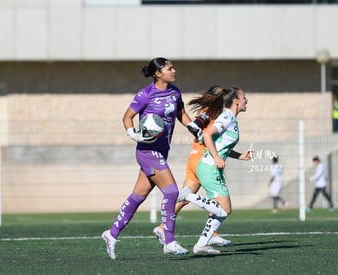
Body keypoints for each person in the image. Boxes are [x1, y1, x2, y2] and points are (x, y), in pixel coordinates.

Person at [101, 57, 203, 259]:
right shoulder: (145, 95)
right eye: (169, 68)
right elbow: (127, 116)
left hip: (162, 151)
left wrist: (192, 127)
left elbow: (181, 112)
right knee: (172, 191)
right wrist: (133, 134)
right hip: (148, 151)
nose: (174, 71)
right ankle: (169, 241)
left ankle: (111, 234)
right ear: (158, 73)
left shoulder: (175, 91)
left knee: (138, 196)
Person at [152, 86, 253, 247]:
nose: (224, 96)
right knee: (218, 203)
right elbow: (204, 131)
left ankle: (165, 227)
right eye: (222, 94)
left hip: (197, 158)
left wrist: (239, 156)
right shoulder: (214, 112)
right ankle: (208, 235)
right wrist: (214, 154)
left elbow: (218, 140)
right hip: (203, 159)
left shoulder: (216, 112)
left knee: (207, 200)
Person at [178, 86, 248, 254]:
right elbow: (208, 134)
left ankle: (201, 245)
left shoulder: (231, 118)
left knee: (221, 211)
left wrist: (240, 156)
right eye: (244, 97)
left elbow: (221, 145)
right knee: (224, 209)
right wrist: (216, 157)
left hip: (210, 167)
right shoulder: (227, 116)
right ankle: (188, 196)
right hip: (209, 167)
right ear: (236, 101)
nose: (247, 100)